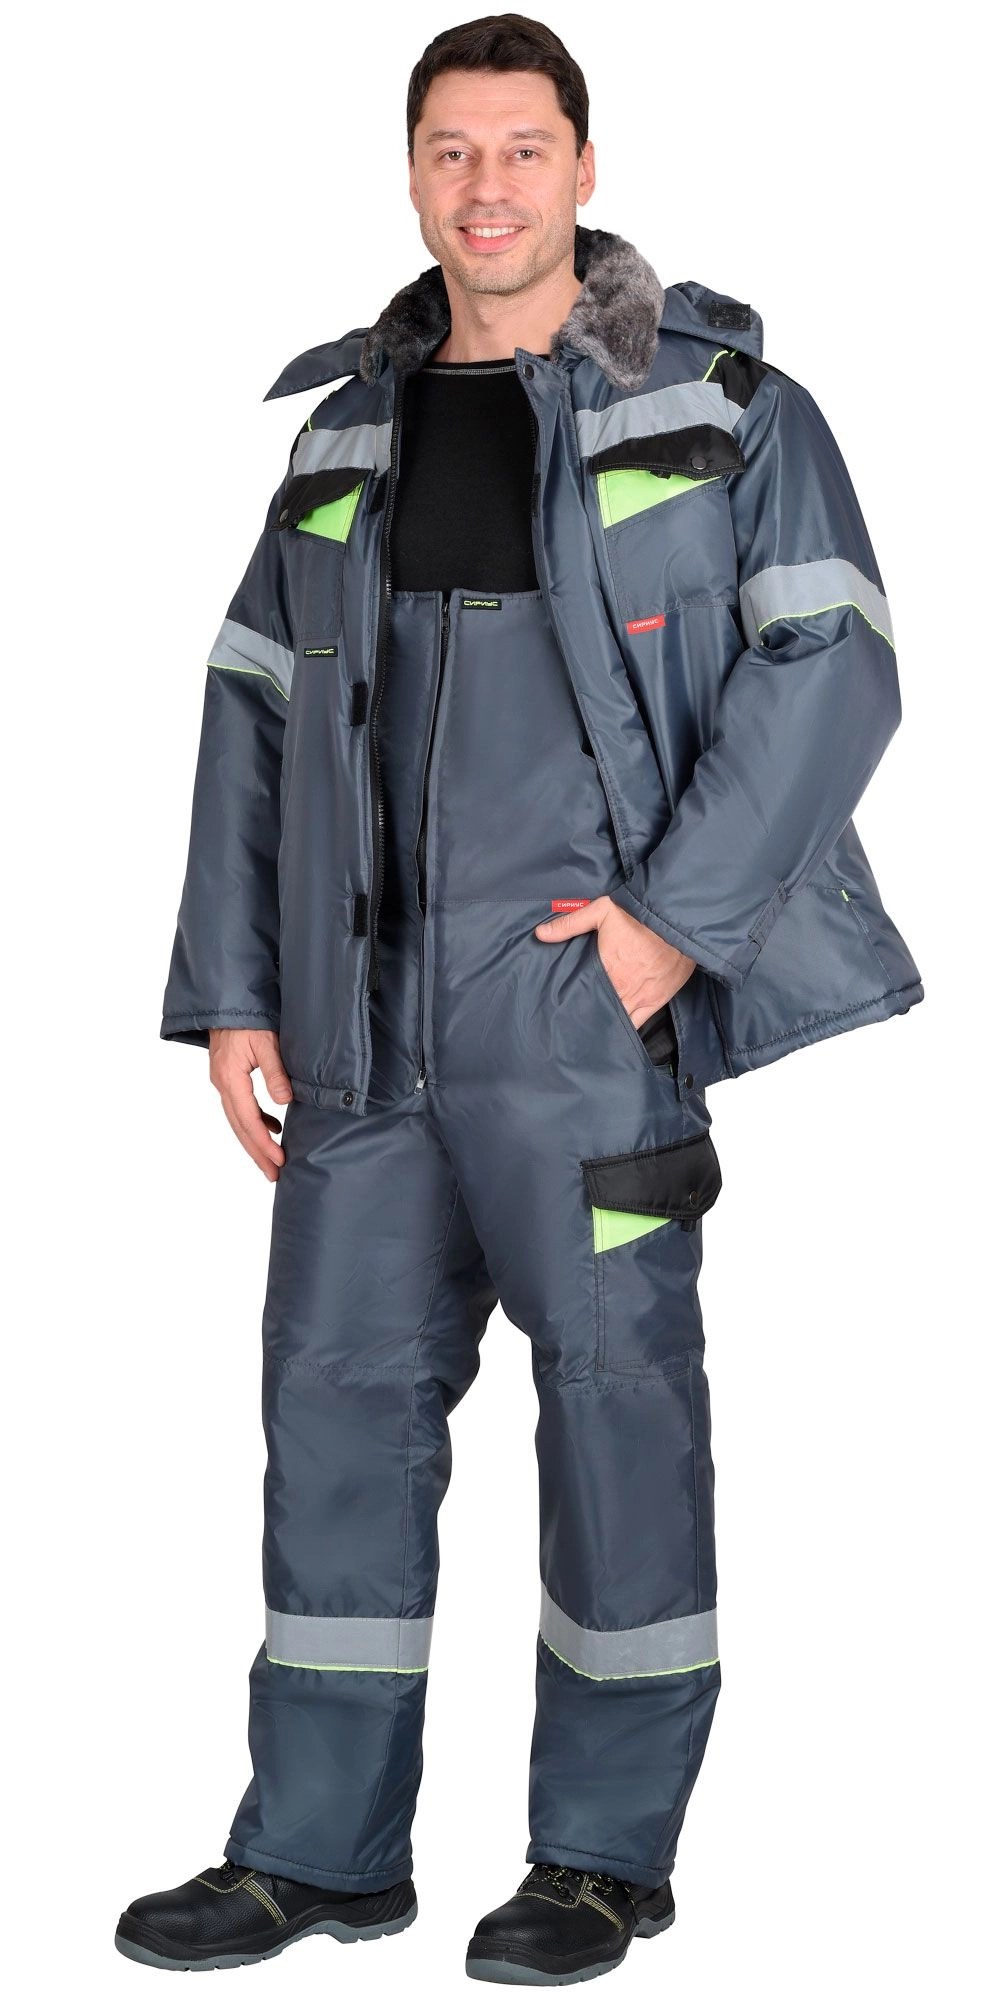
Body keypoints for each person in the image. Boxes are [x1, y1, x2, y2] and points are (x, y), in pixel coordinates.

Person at [115, 12, 924, 1986]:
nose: (486, 187)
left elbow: (834, 669)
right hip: (358, 1024)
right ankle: (315, 1853)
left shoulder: (722, 407)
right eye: (450, 152)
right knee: (333, 1416)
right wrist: (236, 991)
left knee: (617, 1415)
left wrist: (666, 930)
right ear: (412, 175)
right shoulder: (339, 436)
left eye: (522, 148)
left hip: (580, 1017)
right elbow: (252, 719)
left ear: (583, 166)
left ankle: (599, 1859)